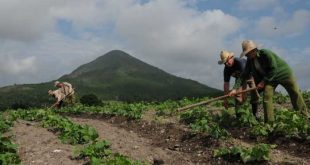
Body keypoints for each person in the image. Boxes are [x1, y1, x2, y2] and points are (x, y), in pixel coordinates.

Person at [231, 40, 309, 123]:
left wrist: (263, 82)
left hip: (284, 74)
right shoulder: (250, 61)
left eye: (247, 53)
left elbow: (274, 69)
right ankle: (269, 123)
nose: (246, 55)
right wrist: (234, 89)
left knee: (295, 93)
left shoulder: (266, 54)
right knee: (267, 97)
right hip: (269, 78)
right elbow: (244, 75)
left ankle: (305, 117)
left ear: (253, 50)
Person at [218, 50, 258, 118]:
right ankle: (239, 117)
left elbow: (243, 77)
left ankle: (255, 115)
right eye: (225, 63)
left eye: (228, 60)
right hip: (239, 79)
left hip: (249, 76)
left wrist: (234, 89)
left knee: (254, 95)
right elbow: (226, 84)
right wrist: (225, 99)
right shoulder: (226, 69)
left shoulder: (240, 62)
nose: (227, 63)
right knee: (238, 97)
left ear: (232, 57)